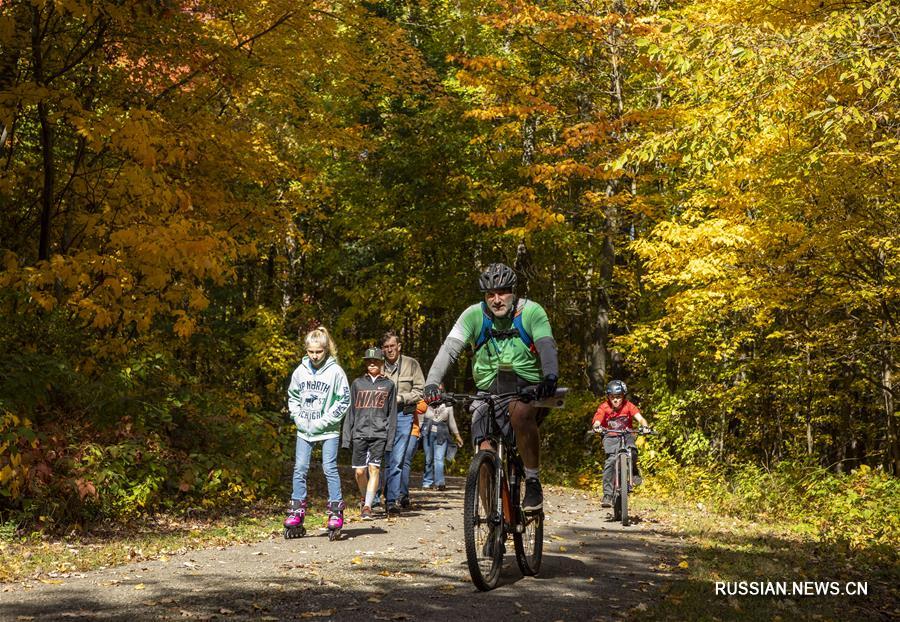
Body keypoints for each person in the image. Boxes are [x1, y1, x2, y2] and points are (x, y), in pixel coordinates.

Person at [423, 262, 559, 511]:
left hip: (525, 387)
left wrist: (550, 376)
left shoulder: (531, 312)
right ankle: (493, 522)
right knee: (483, 453)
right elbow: (449, 349)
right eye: (490, 294)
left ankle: (532, 481)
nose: (496, 300)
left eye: (502, 292)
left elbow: (546, 344)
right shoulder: (473, 315)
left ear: (513, 291)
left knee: (520, 413)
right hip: (488, 391)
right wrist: (432, 382)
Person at [284, 326, 351, 535]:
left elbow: (344, 400)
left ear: (326, 350)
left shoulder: (335, 372)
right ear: (306, 350)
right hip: (304, 428)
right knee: (300, 468)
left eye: (319, 352)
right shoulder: (300, 371)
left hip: (328, 429)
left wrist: (325, 420)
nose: (314, 356)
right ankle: (297, 510)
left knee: (329, 467)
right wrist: (297, 417)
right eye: (311, 351)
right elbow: (293, 396)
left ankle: (335, 510)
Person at [342, 347, 397, 520]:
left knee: (374, 469)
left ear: (382, 363)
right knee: (359, 472)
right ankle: (364, 497)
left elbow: (392, 414)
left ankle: (367, 506)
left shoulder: (389, 385)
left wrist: (390, 440)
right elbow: (350, 412)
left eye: (376, 361)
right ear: (366, 363)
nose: (372, 363)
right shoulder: (357, 383)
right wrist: (346, 438)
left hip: (379, 434)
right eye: (369, 361)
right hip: (359, 432)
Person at [378, 330, 425, 514]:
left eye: (392, 346)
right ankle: (374, 499)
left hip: (404, 415)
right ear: (382, 349)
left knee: (397, 460)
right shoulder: (377, 366)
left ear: (399, 346)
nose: (390, 350)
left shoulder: (412, 364)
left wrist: (401, 398)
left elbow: (420, 391)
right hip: (381, 418)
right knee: (382, 460)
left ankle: (392, 501)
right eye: (386, 347)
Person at [591, 380, 650, 508]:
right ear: (608, 397)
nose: (616, 400)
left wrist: (645, 426)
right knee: (610, 463)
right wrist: (597, 426)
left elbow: (640, 418)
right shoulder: (604, 407)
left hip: (626, 435)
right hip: (610, 436)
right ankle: (607, 495)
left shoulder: (629, 406)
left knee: (632, 451)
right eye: (612, 397)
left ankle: (633, 472)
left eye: (618, 397)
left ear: (623, 396)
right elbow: (598, 419)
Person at [421, 398, 464, 490]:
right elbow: (421, 417)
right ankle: (427, 482)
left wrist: (457, 435)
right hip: (427, 433)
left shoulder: (448, 405)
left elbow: (451, 421)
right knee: (428, 458)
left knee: (439, 458)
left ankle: (440, 483)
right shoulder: (426, 402)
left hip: (442, 433)